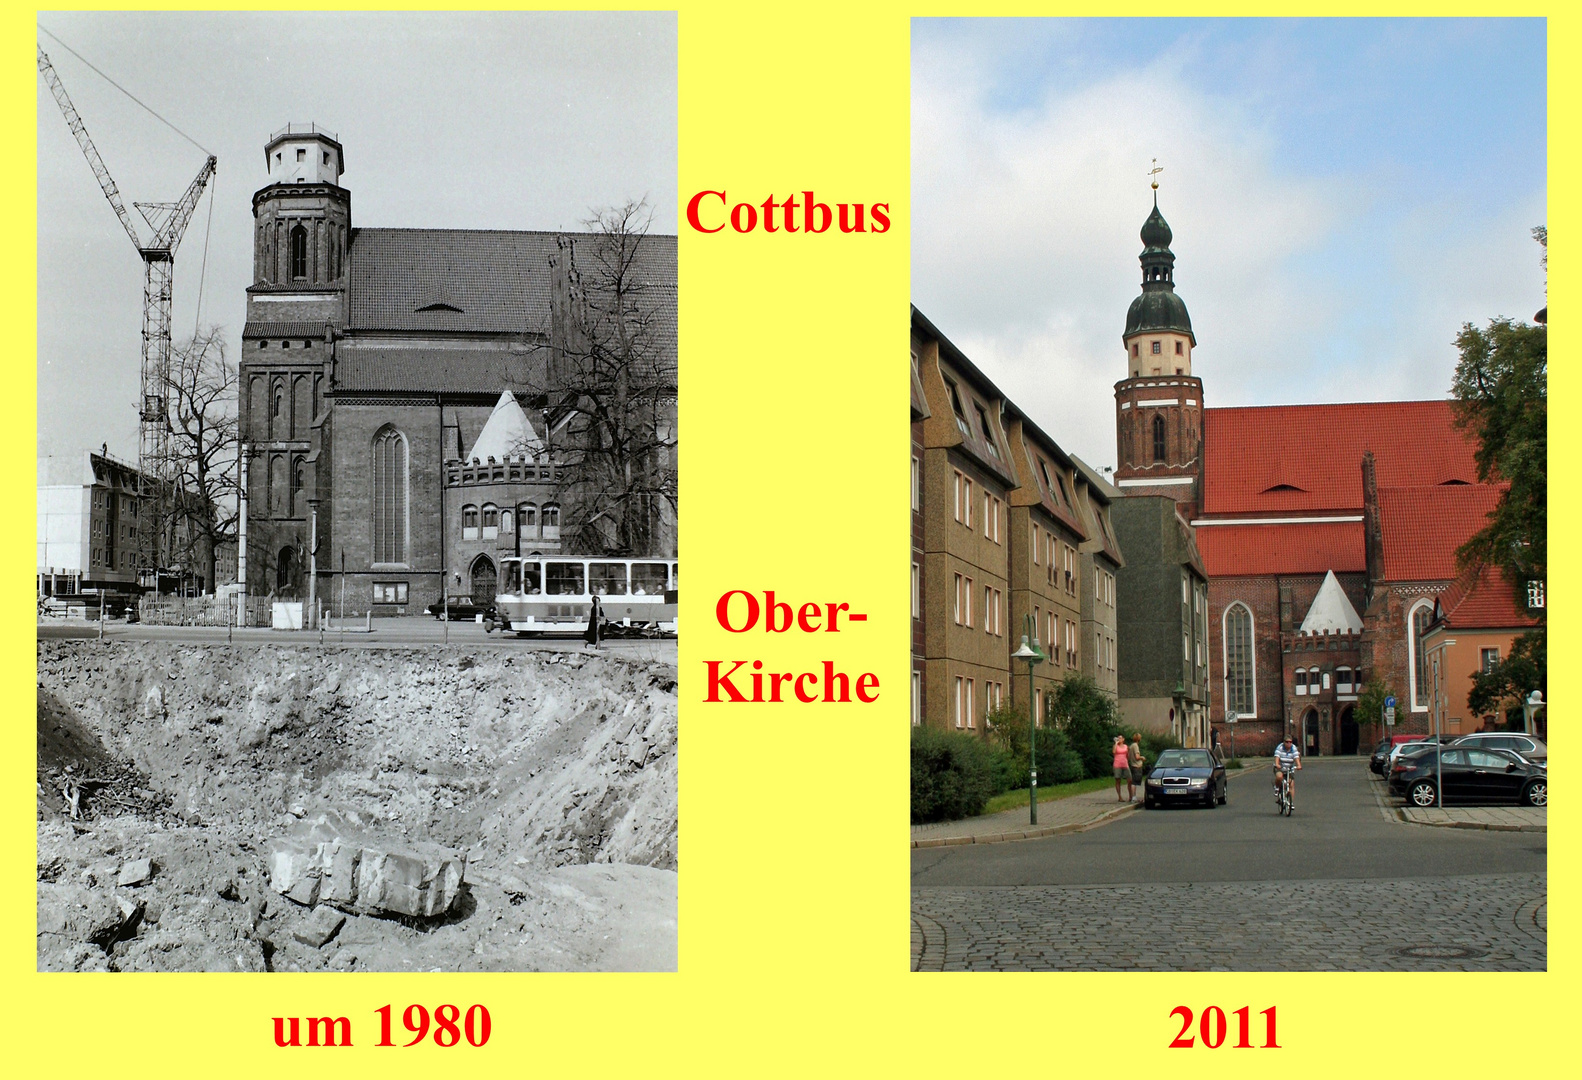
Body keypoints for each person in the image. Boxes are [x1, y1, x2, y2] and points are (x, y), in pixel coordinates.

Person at [1272, 735, 1301, 804]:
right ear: (1284, 742)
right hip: (1280, 767)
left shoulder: (1293, 748)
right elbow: (1277, 757)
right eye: (1287, 742)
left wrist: (1299, 765)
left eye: (1290, 742)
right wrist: (1277, 764)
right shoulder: (1280, 747)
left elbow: (1296, 758)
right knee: (1279, 777)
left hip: (1289, 767)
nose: (1289, 743)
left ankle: (1290, 803)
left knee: (1291, 784)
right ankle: (1277, 788)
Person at [1127, 733, 1145, 801]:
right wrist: (1142, 758)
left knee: (1133, 781)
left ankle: (1132, 796)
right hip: (1137, 766)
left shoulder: (1131, 746)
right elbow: (1137, 757)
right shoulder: (1135, 746)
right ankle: (1134, 797)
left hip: (1132, 765)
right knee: (1135, 782)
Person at [1112, 735, 1131, 802]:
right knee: (1118, 780)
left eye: (1120, 738)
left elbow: (1127, 755)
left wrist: (1127, 759)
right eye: (1118, 738)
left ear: (1123, 739)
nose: (1119, 739)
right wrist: (1116, 743)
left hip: (1125, 764)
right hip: (1117, 764)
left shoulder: (1126, 746)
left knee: (1129, 779)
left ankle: (1130, 796)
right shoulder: (1116, 746)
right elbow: (1114, 752)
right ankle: (1120, 797)